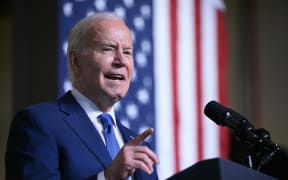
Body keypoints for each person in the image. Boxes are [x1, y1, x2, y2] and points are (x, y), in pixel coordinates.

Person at [5, 12, 159, 180]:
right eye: (107, 48)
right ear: (76, 61)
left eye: (127, 52)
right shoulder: (39, 124)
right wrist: (107, 178)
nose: (121, 60)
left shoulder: (140, 147)